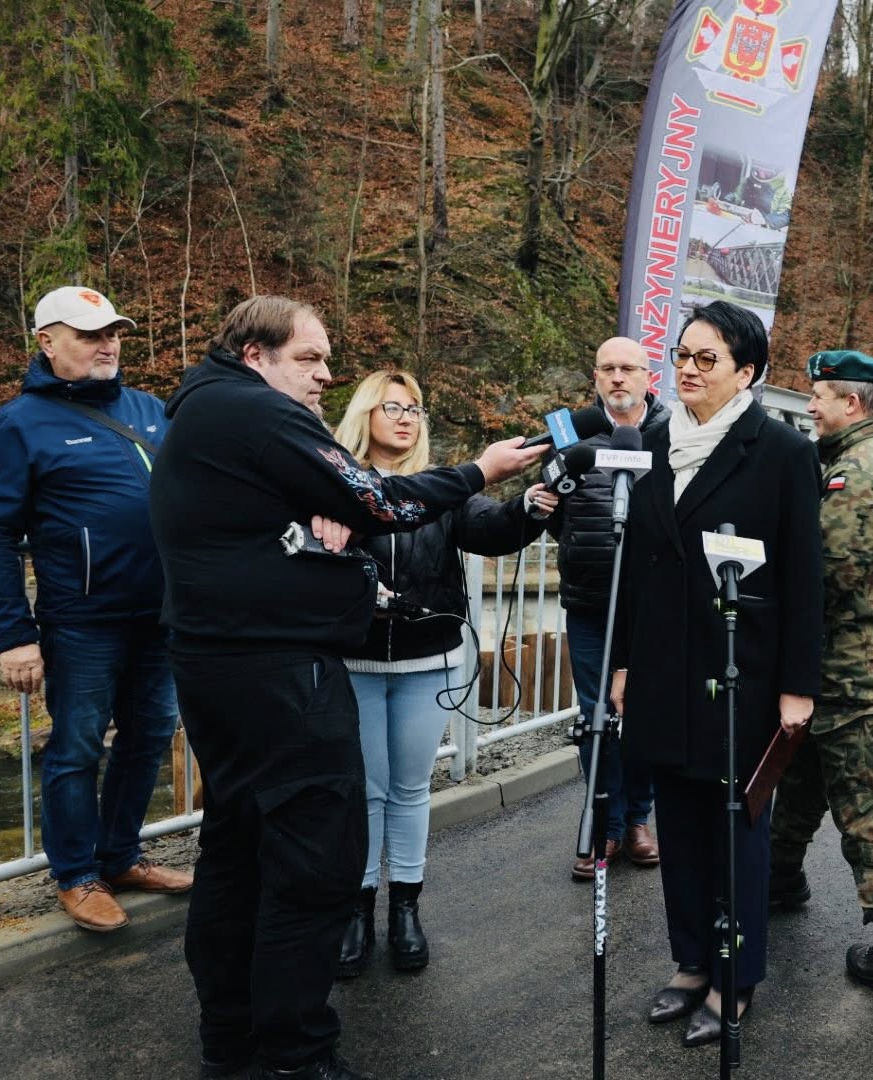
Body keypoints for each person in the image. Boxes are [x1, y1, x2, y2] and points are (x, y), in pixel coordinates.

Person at [149, 296, 545, 1080]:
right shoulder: (253, 411)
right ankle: (297, 1056)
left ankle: (232, 1045)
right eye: (311, 358)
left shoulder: (210, 409)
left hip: (228, 667)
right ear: (256, 354)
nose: (326, 374)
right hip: (278, 677)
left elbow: (322, 503)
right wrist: (480, 470)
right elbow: (381, 500)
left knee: (240, 855)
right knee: (312, 865)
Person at [608, 301, 822, 1047]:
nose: (688, 370)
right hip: (664, 667)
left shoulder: (782, 451)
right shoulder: (660, 439)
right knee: (680, 821)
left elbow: (804, 576)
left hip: (743, 670)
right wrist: (625, 660)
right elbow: (637, 565)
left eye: (707, 359)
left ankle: (736, 978)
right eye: (683, 355)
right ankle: (692, 960)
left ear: (747, 372)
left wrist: (800, 684)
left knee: (736, 830)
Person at [0, 286, 192, 933]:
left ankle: (120, 856)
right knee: (75, 748)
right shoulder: (19, 424)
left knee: (150, 735)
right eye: (91, 334)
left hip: (162, 616)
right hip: (82, 623)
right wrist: (13, 636)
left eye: (113, 333)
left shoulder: (149, 409)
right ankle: (76, 874)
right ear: (46, 341)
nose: (108, 345)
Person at [331, 370, 559, 976]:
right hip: (351, 658)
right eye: (392, 407)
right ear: (365, 414)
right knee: (363, 791)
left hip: (427, 656)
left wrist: (531, 508)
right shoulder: (333, 481)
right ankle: (356, 909)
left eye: (415, 409)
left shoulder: (443, 487)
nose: (406, 418)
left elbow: (490, 529)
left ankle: (405, 908)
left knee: (408, 789)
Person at [767, 349, 873, 1002]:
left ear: (851, 404)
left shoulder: (857, 471)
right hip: (841, 666)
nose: (809, 407)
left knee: (865, 811)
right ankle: (780, 880)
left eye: (818, 397)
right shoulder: (859, 458)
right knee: (803, 773)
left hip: (849, 669)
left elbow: (828, 576)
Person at [554, 336, 668, 881]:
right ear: (595, 377)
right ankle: (604, 821)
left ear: (650, 377)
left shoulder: (674, 428)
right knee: (595, 713)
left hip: (650, 603)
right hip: (591, 597)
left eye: (629, 368)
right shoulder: (567, 430)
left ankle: (639, 819)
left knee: (641, 710)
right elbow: (552, 500)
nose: (618, 378)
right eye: (608, 369)